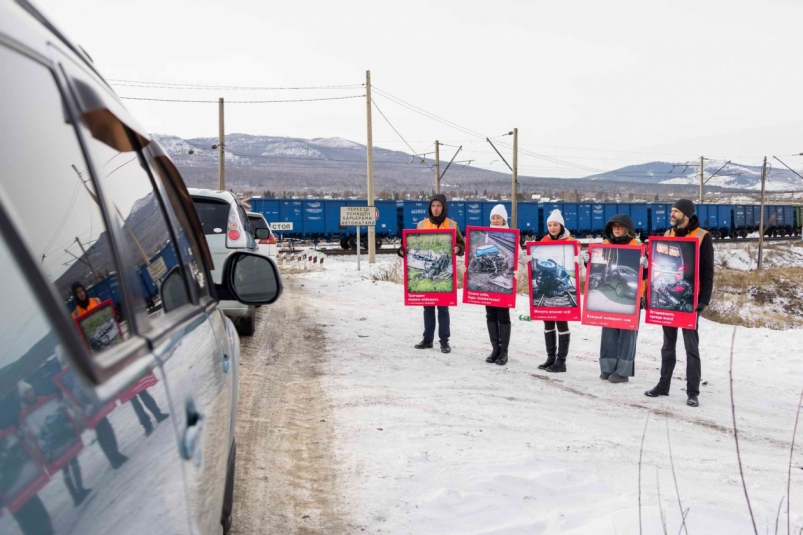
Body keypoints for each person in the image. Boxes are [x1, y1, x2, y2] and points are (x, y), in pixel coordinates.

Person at [644, 199, 714, 407]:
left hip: (690, 301)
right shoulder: (667, 235)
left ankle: (693, 392)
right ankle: (663, 385)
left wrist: (704, 300)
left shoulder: (703, 236)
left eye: (675, 211)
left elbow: (708, 271)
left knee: (691, 347)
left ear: (687, 214)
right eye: (671, 211)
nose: (671, 214)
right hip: (668, 297)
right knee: (667, 346)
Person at [581, 214, 647, 383]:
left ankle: (623, 372)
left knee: (627, 335)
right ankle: (608, 367)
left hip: (634, 300)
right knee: (609, 332)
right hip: (617, 303)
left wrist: (646, 266)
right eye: (614, 226)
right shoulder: (604, 246)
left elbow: (645, 275)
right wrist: (588, 262)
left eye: (620, 226)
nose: (616, 229)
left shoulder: (638, 248)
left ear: (628, 229)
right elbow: (597, 268)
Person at [397, 194, 465, 353]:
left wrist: (459, 249)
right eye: (433, 206)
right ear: (430, 208)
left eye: (438, 206)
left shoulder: (452, 224)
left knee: (443, 309)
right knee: (427, 309)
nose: (435, 209)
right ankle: (427, 339)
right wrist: (402, 250)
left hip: (444, 273)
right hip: (429, 270)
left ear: (444, 207)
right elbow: (409, 244)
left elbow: (461, 243)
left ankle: (444, 341)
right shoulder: (421, 225)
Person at [536, 209, 576, 373]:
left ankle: (561, 361)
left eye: (555, 225)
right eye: (550, 225)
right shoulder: (543, 240)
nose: (552, 228)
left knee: (561, 322)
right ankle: (550, 357)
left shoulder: (571, 241)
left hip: (559, 281)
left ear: (561, 225)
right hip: (548, 282)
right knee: (548, 321)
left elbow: (577, 254)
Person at [483, 204, 513, 366]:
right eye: (493, 218)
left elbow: (520, 260)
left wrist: (517, 272)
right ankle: (495, 348)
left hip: (504, 281)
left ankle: (504, 352)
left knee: (503, 316)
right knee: (490, 315)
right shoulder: (486, 235)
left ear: (504, 219)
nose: (495, 220)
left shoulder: (511, 236)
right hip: (490, 281)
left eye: (498, 217)